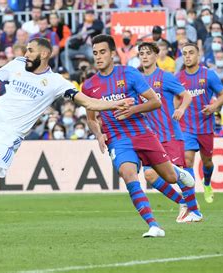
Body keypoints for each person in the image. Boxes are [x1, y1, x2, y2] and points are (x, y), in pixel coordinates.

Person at [0, 38, 135, 242]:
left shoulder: (56, 82)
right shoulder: (16, 65)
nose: (25, 54)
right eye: (26, 50)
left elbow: (89, 102)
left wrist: (114, 105)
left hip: (6, 138)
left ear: (44, 54)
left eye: (30, 50)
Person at [83, 35, 195, 238]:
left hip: (142, 133)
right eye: (95, 53)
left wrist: (133, 109)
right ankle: (153, 225)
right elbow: (91, 117)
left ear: (113, 54)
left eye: (102, 52)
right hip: (118, 139)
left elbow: (155, 102)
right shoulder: (89, 86)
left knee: (169, 177)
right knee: (129, 175)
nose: (98, 57)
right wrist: (98, 134)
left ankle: (179, 174)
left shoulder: (129, 73)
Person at [138, 42, 202, 223]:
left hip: (170, 135)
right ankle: (184, 203)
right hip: (152, 138)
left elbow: (187, 95)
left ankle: (195, 212)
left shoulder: (165, 77)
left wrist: (181, 109)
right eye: (141, 53)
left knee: (177, 175)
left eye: (148, 53)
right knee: (150, 175)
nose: (144, 56)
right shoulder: (139, 80)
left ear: (156, 56)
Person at [177, 43, 223, 203]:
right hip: (186, 128)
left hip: (205, 127)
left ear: (198, 56)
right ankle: (191, 201)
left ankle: (207, 183)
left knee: (207, 163)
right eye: (184, 53)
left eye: (191, 53)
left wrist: (214, 106)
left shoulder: (209, 75)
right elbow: (173, 100)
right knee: (187, 160)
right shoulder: (178, 78)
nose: (187, 56)